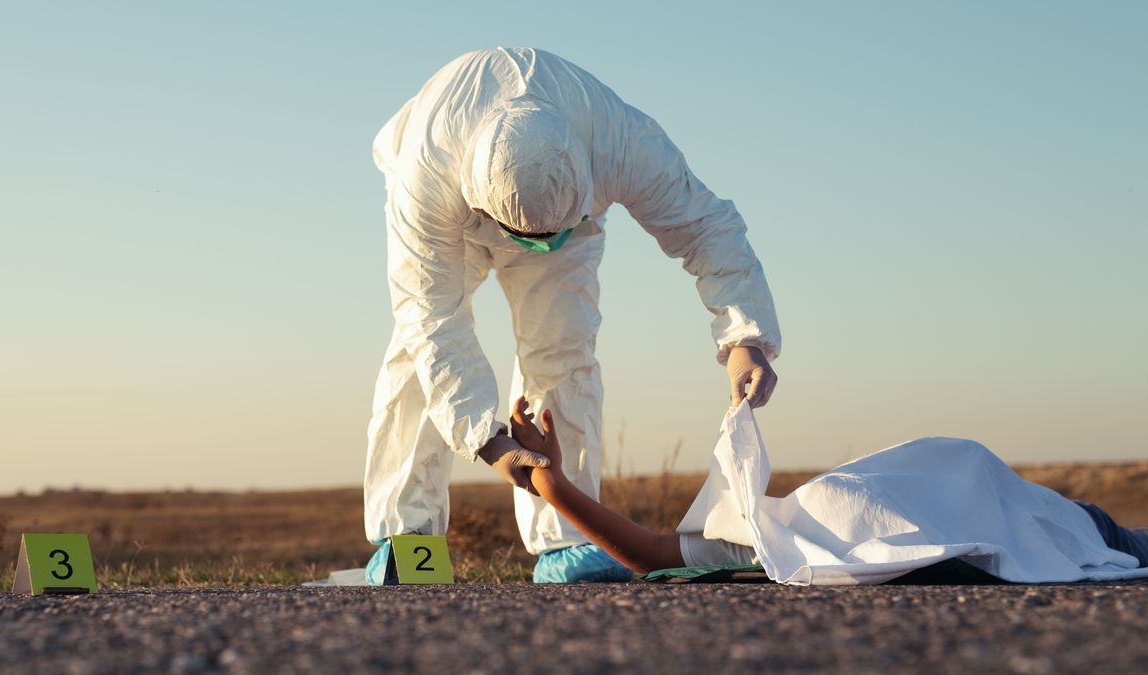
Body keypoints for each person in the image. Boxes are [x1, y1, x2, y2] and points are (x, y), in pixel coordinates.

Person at [364, 48, 781, 584]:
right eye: (524, 238)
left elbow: (706, 227)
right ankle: (410, 540)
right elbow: (432, 319)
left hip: (573, 223)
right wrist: (487, 440)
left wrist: (745, 334)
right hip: (453, 220)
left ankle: (566, 538)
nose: (531, 249)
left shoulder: (622, 145)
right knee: (418, 356)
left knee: (563, 351)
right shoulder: (424, 176)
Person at [510, 396, 1148, 584]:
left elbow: (650, 553)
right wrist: (553, 487)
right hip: (1060, 525)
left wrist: (554, 487)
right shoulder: (760, 542)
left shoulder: (767, 532)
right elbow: (648, 554)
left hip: (1040, 511)